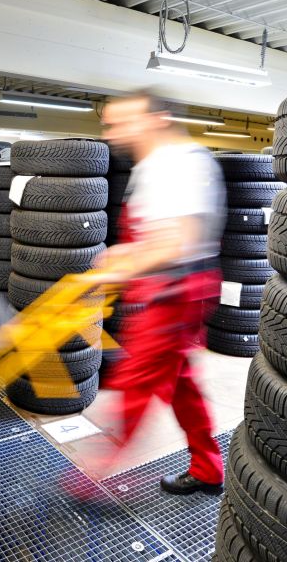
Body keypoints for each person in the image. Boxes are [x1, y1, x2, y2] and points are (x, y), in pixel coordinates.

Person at [89, 90, 227, 495]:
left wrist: (125, 264)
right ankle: (208, 468)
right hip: (161, 285)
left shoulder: (182, 164)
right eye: (109, 124)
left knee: (135, 381)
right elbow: (155, 234)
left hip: (177, 290)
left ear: (158, 118)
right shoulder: (151, 165)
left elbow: (176, 243)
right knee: (182, 384)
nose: (111, 132)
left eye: (121, 122)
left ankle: (95, 477)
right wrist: (125, 252)